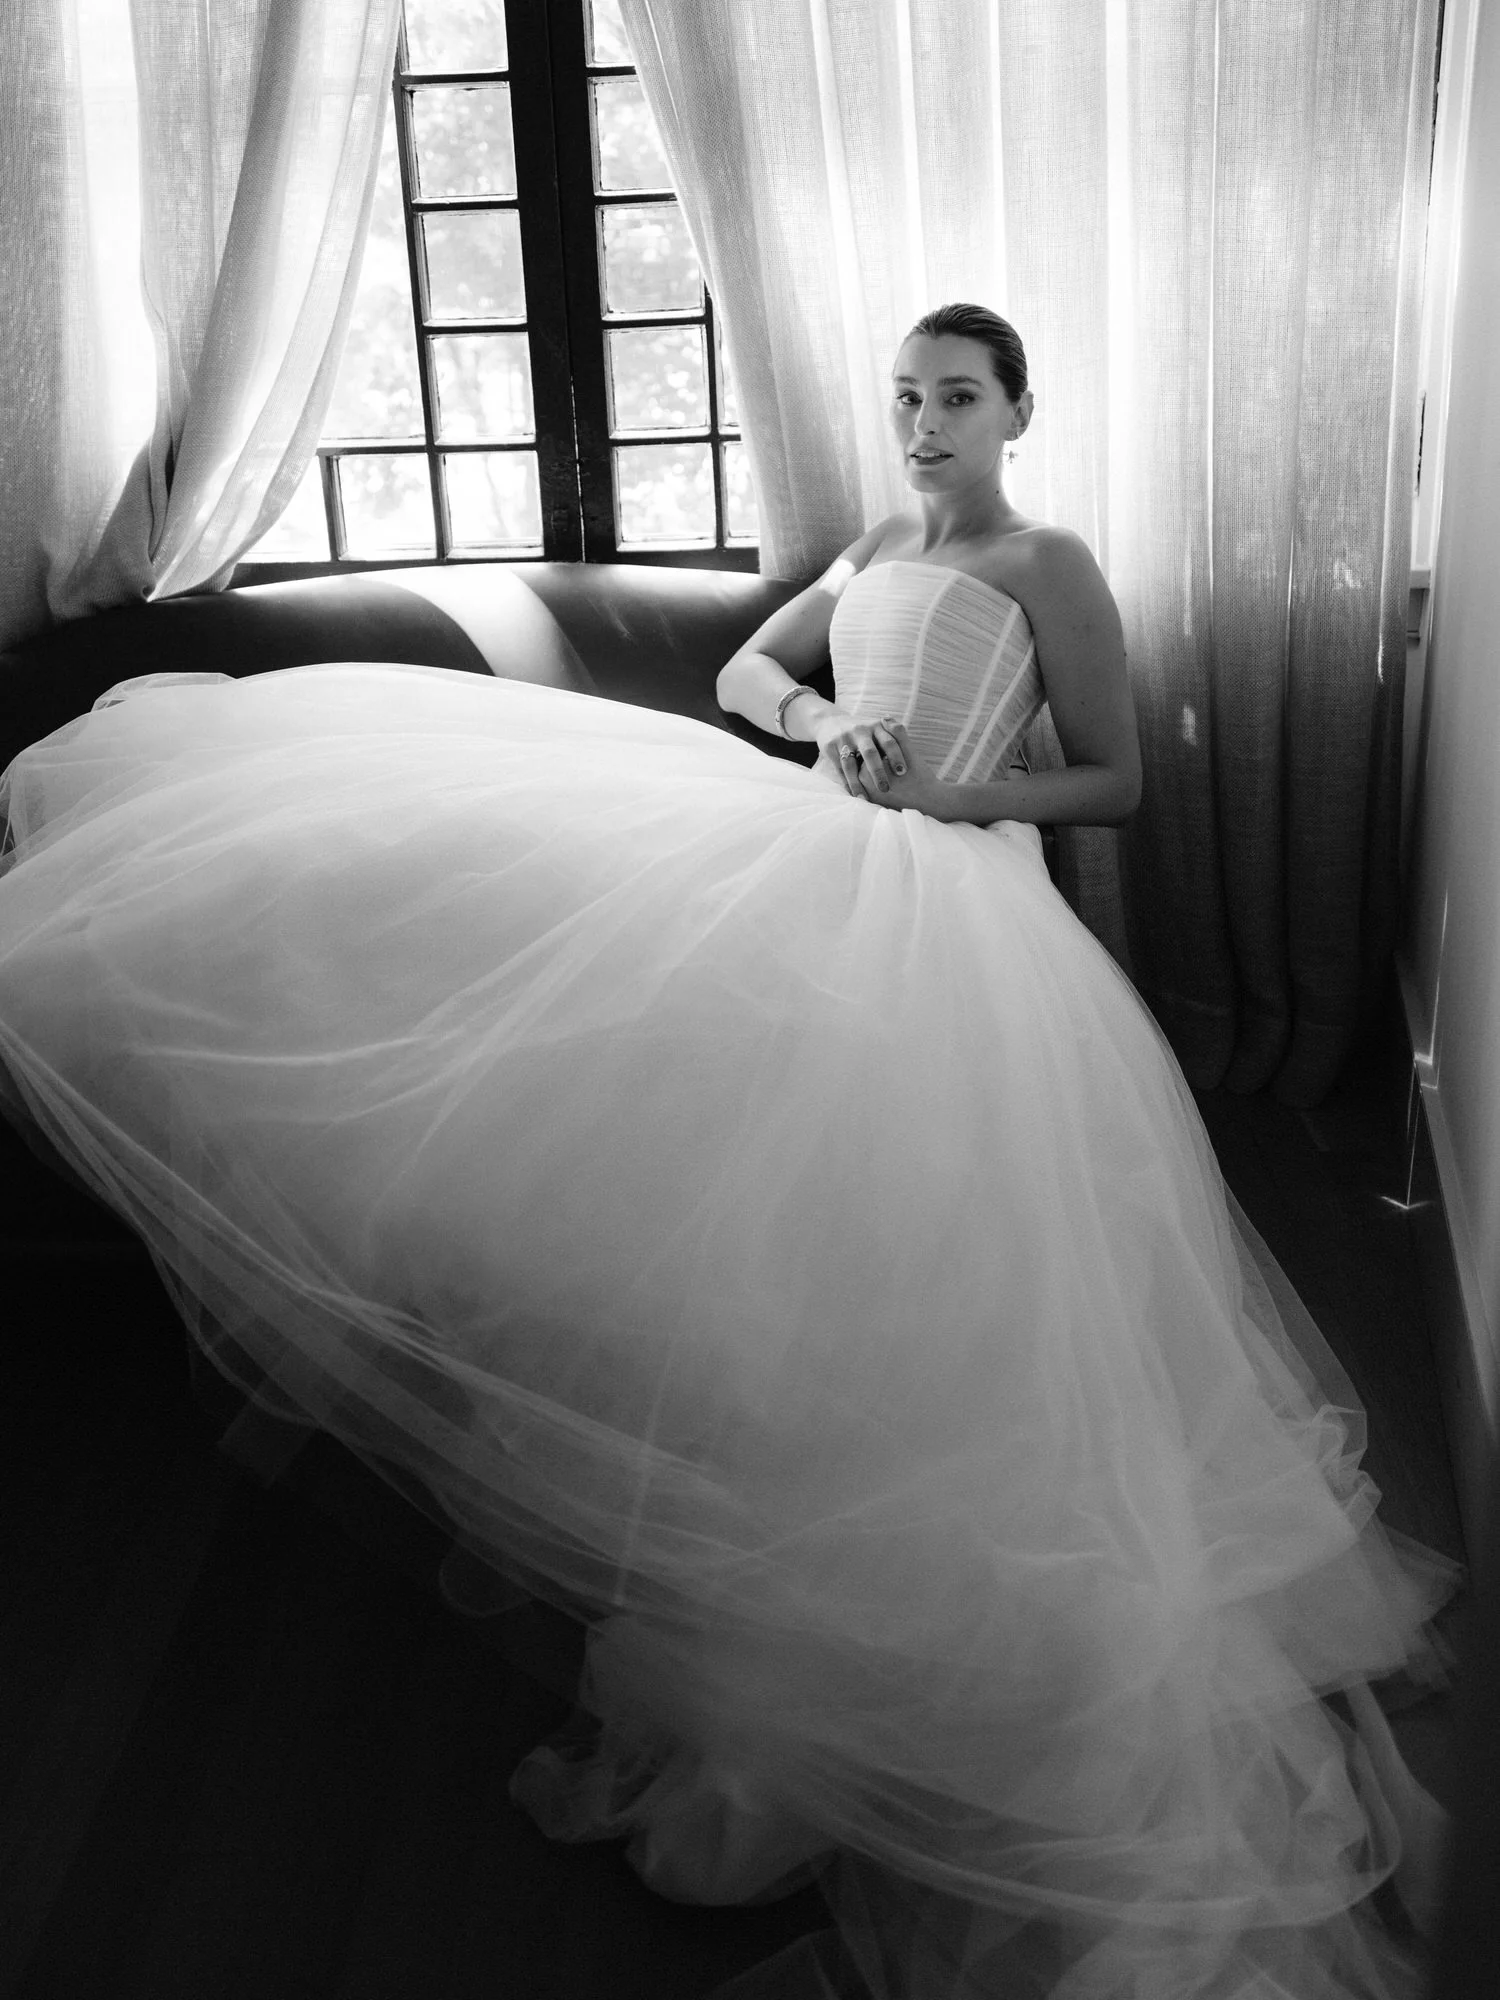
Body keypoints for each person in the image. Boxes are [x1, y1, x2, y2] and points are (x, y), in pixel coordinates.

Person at [0, 304, 1455, 2000]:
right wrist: (823, 724)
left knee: (935, 1223)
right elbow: (748, 670)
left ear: (1017, 412)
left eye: (958, 398)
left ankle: (940, 1547)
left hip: (955, 888)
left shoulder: (1047, 560)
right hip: (818, 831)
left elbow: (1119, 780)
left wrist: (950, 797)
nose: (924, 423)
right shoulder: (882, 543)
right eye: (906, 396)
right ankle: (762, 1468)